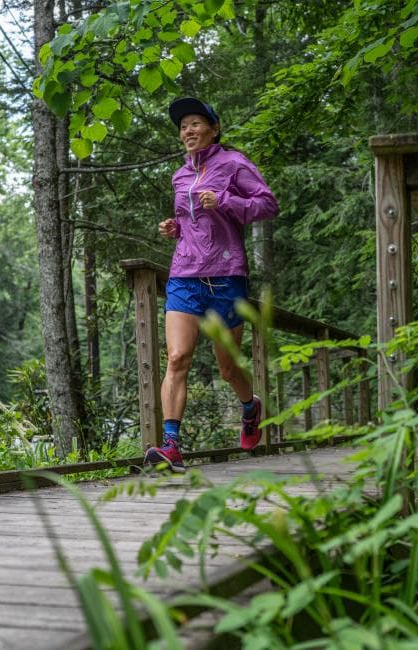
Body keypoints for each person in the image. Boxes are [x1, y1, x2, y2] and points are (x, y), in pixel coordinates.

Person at [144, 97, 279, 472]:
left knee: (227, 368)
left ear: (214, 129)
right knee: (176, 358)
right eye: (183, 125)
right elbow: (190, 222)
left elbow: (268, 204)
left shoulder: (234, 164)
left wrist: (224, 200)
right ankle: (171, 445)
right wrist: (174, 229)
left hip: (225, 275)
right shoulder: (180, 176)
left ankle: (249, 408)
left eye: (195, 123)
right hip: (185, 274)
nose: (187, 130)